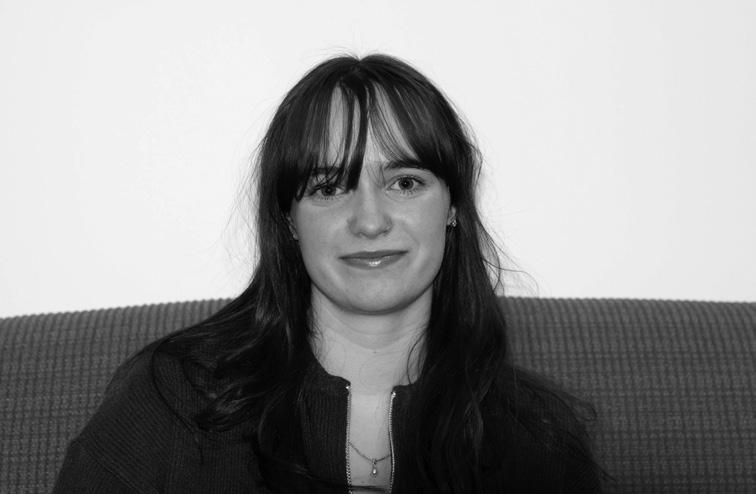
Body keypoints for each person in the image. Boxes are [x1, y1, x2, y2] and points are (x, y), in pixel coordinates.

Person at [54, 54, 603, 493]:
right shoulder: (174, 399)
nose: (370, 221)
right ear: (288, 220)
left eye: (405, 182)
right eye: (328, 187)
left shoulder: (538, 438)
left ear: (453, 205)